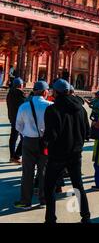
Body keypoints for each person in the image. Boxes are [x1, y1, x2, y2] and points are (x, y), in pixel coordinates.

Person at [43, 79, 91, 223]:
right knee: (78, 185)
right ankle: (86, 217)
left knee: (49, 186)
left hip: (57, 155)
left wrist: (44, 144)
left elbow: (51, 135)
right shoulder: (80, 109)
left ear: (56, 92)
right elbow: (86, 132)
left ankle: (50, 219)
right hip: (75, 154)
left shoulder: (53, 109)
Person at [14, 81, 53, 209]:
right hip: (45, 143)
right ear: (44, 92)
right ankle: (44, 200)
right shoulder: (50, 106)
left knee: (27, 173)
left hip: (29, 141)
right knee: (44, 171)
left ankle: (25, 201)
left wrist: (27, 132)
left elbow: (18, 126)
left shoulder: (24, 106)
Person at [7, 77, 26, 164]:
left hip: (12, 118)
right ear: (20, 85)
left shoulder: (10, 93)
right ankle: (16, 156)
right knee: (24, 138)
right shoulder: (20, 94)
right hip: (20, 120)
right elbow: (25, 106)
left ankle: (12, 156)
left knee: (13, 138)